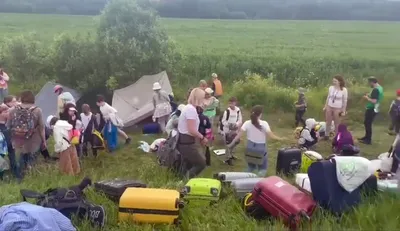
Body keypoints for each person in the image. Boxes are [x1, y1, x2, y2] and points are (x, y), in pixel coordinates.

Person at [228, 105, 284, 176]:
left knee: (250, 167)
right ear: (260, 114)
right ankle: (257, 182)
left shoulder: (247, 123)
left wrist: (231, 144)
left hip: (249, 147)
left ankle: (243, 178)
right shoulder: (264, 123)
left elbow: (238, 135)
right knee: (262, 169)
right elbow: (272, 136)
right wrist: (281, 139)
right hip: (260, 148)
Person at [7, 91, 46, 182]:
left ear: (22, 98)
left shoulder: (13, 110)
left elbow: (8, 125)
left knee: (20, 158)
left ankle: (19, 179)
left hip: (18, 140)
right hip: (34, 141)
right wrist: (44, 141)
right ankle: (30, 178)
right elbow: (42, 127)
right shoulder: (37, 110)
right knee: (31, 159)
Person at [177, 88, 208, 179]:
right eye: (202, 97)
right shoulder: (191, 110)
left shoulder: (189, 108)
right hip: (187, 142)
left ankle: (180, 181)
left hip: (185, 141)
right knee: (201, 163)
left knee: (187, 164)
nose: (203, 99)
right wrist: (202, 137)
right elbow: (191, 130)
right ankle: (186, 181)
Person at [359, 77, 384, 145]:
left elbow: (374, 101)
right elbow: (376, 97)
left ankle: (368, 140)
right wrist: (369, 95)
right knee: (367, 123)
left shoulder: (375, 89)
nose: (369, 84)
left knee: (367, 123)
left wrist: (367, 98)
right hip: (376, 108)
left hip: (371, 108)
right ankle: (366, 137)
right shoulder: (380, 88)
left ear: (372, 82)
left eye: (369, 82)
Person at [323, 75, 348, 140]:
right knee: (328, 121)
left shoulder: (344, 90)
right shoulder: (331, 88)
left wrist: (343, 111)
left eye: (335, 81)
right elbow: (328, 97)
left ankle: (337, 137)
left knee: (337, 123)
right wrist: (325, 106)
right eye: (333, 81)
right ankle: (326, 135)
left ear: (339, 82)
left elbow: (345, 101)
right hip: (329, 106)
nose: (334, 82)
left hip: (338, 108)